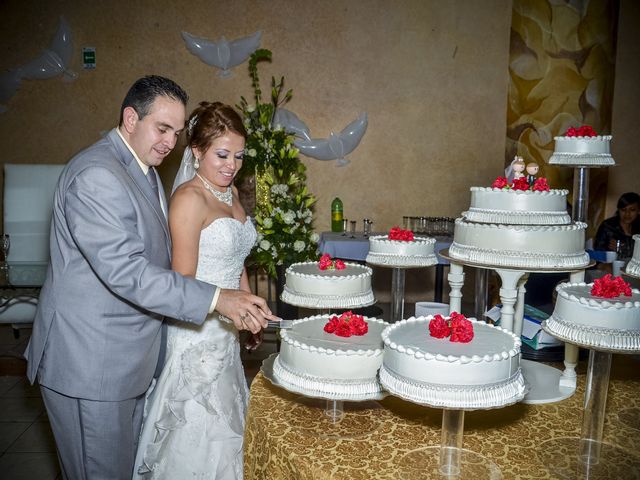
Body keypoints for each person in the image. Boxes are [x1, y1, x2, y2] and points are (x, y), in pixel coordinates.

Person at [25, 76, 276, 480]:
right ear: (130, 118)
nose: (169, 142)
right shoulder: (97, 174)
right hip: (91, 364)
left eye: (176, 132)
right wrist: (218, 300)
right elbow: (129, 273)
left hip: (133, 358)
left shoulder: (144, 169)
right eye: (162, 129)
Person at [133, 101, 258, 479]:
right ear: (197, 151)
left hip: (225, 332)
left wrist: (249, 312)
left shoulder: (230, 193)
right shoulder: (188, 199)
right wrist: (228, 307)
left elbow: (236, 260)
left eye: (238, 155)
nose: (231, 165)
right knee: (199, 435)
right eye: (222, 154)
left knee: (229, 433)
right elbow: (182, 282)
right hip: (196, 337)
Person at [594, 192, 640, 260]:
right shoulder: (607, 226)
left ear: (639, 211)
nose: (627, 214)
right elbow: (597, 252)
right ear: (618, 210)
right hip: (611, 266)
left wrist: (623, 250)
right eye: (623, 210)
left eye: (632, 210)